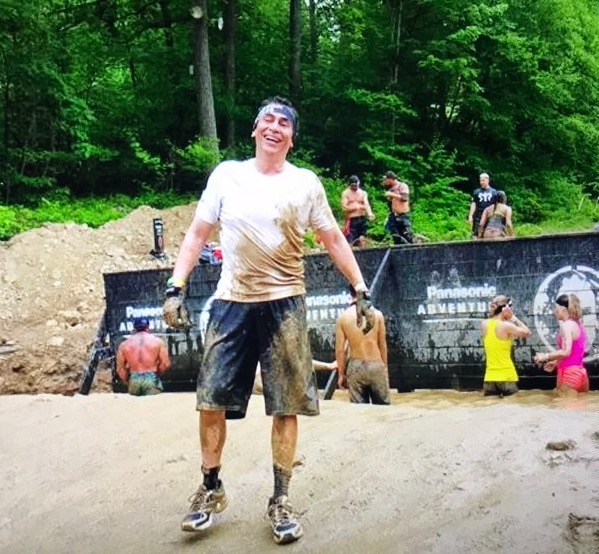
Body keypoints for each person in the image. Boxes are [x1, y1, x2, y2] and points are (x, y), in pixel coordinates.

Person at [161, 96, 376, 545]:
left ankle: (280, 499)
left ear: (291, 138)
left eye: (284, 123)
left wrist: (359, 287)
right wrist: (175, 286)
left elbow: (333, 236)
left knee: (285, 404)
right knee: (210, 399)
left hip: (285, 303)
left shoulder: (305, 183)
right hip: (231, 301)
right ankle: (210, 487)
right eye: (268, 120)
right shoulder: (228, 175)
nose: (275, 127)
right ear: (255, 130)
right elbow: (198, 233)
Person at [335, 284, 390, 404]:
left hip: (356, 367)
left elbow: (339, 350)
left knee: (359, 413)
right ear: (366, 293)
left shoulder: (343, 318)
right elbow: (383, 345)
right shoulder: (378, 315)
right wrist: (384, 368)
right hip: (376, 364)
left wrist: (341, 375)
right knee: (383, 410)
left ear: (350, 294)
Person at [533, 294, 589, 396]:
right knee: (580, 408)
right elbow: (574, 352)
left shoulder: (567, 326)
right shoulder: (578, 324)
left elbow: (566, 351)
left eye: (556, 308)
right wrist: (556, 362)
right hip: (581, 373)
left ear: (563, 309)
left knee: (565, 410)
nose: (554, 311)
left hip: (568, 375)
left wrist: (545, 357)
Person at [481, 295, 531, 396]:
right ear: (507, 308)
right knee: (511, 410)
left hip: (489, 378)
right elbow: (527, 333)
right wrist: (512, 317)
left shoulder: (484, 324)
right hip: (507, 377)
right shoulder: (506, 326)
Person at [115, 317, 171, 396]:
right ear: (148, 327)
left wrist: (128, 381)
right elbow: (166, 364)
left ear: (134, 328)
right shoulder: (158, 342)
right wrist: (157, 375)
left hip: (134, 378)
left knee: (136, 407)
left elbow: (120, 369)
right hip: (151, 377)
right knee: (152, 405)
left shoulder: (124, 345)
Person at [340, 175, 375, 246]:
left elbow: (366, 205)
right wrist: (355, 208)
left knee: (362, 239)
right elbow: (344, 207)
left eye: (356, 185)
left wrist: (370, 213)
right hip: (352, 220)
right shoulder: (346, 193)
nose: (355, 187)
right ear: (350, 185)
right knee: (350, 240)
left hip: (361, 218)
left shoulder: (363, 193)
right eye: (353, 185)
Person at [383, 171, 414, 244]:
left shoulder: (402, 186)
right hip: (394, 215)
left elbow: (405, 198)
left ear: (390, 179)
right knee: (396, 237)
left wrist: (392, 194)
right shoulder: (391, 189)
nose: (385, 182)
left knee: (407, 236)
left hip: (403, 215)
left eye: (386, 180)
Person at [468, 172, 497, 240]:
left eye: (483, 180)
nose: (481, 182)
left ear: (487, 180)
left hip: (490, 217)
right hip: (479, 216)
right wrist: (470, 215)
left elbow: (497, 205)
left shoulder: (494, 192)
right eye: (480, 180)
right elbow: (473, 204)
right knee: (475, 234)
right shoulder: (476, 192)